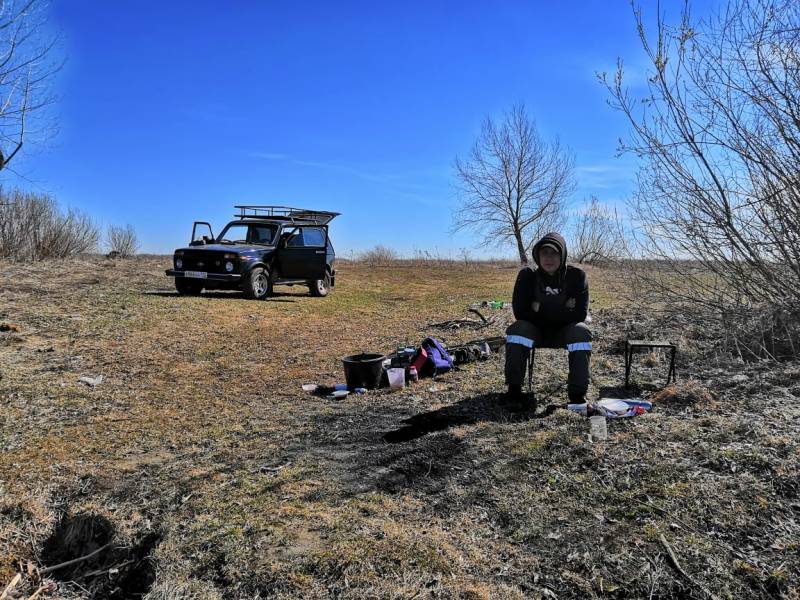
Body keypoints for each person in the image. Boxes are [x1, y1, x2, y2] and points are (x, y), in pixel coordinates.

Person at [504, 232, 591, 411]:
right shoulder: (528, 276)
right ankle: (514, 391)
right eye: (545, 253)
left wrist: (539, 307)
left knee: (581, 331)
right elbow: (520, 313)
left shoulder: (577, 277)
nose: (549, 258)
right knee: (517, 330)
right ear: (538, 255)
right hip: (536, 331)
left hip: (564, 332)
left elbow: (580, 315)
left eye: (554, 253)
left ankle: (577, 395)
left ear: (563, 255)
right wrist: (564, 307)